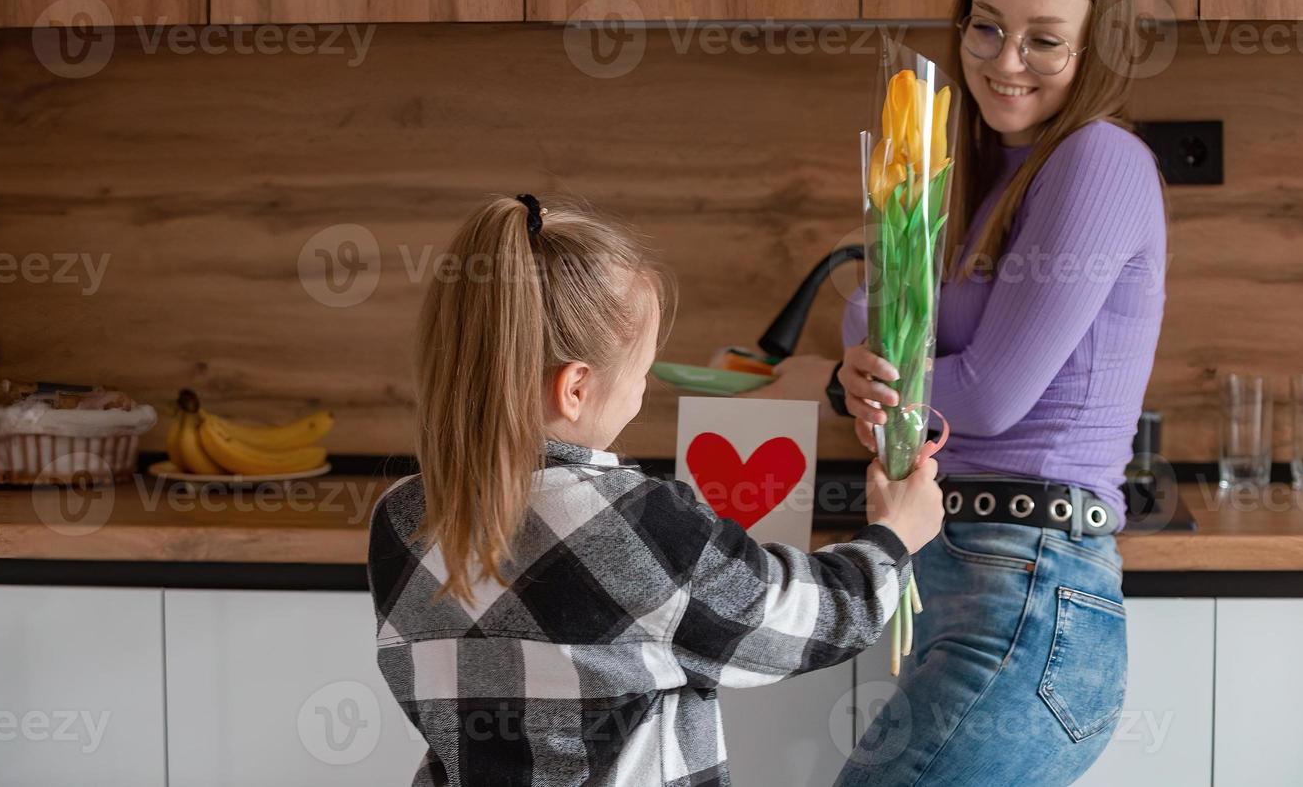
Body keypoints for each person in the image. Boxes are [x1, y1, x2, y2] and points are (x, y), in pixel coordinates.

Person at [757, 0, 1167, 784]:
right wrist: (865, 370)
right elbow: (871, 317)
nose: (1004, 61)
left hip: (1030, 592)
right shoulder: (986, 172)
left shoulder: (1099, 159)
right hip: (969, 582)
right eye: (986, 27)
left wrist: (884, 373)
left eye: (1044, 41)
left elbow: (988, 394)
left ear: (1097, 47)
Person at [367, 193, 945, 787]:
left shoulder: (400, 517)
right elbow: (807, 621)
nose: (644, 389)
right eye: (642, 372)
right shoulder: (633, 518)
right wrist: (893, 536)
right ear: (575, 387)